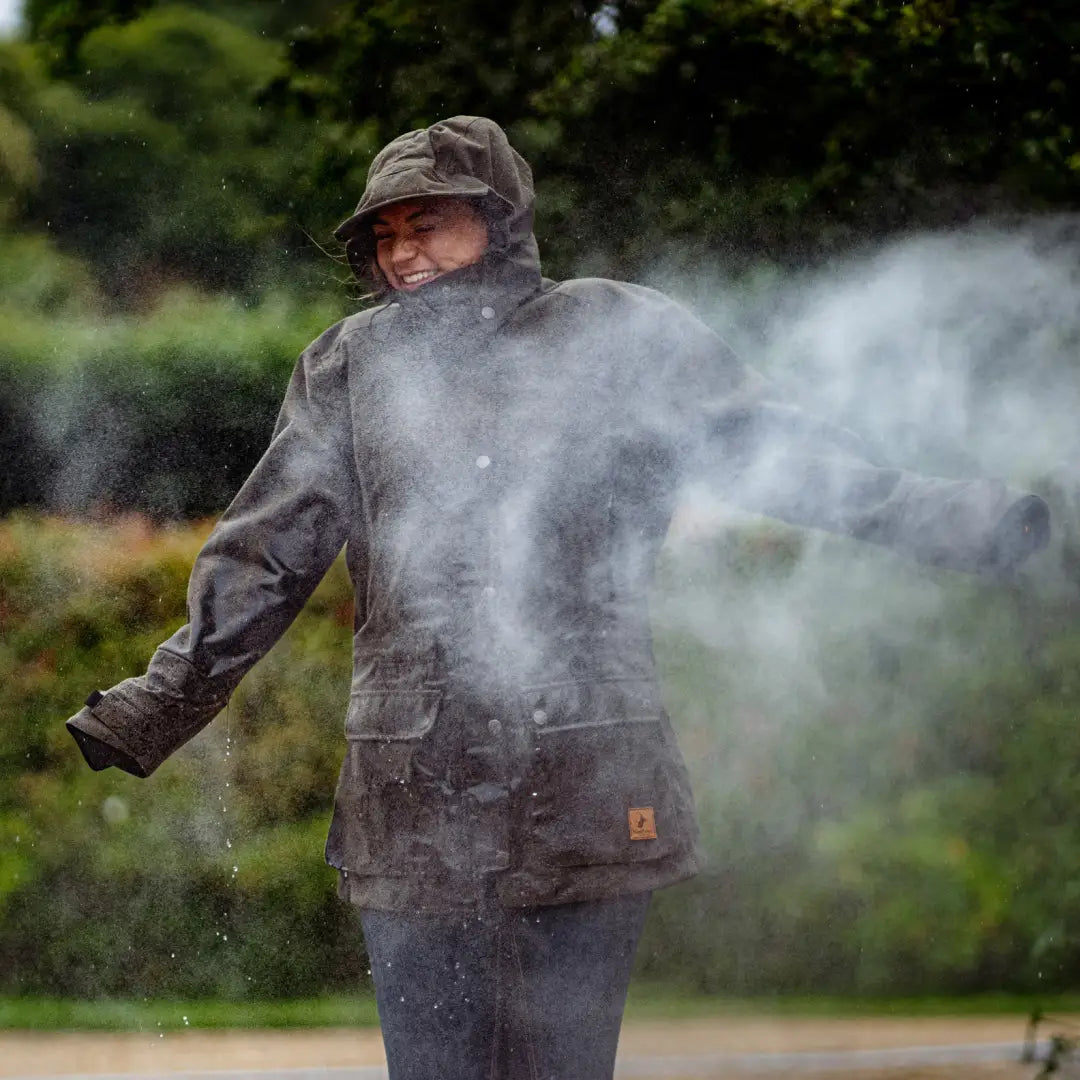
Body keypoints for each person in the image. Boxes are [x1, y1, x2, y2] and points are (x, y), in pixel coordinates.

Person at [66, 116, 1049, 1079]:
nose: (402, 254)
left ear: (499, 216)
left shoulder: (617, 332)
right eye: (386, 234)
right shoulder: (348, 368)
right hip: (413, 798)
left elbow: (786, 457)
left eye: (428, 223)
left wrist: (967, 524)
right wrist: (161, 702)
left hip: (587, 782)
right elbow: (265, 552)